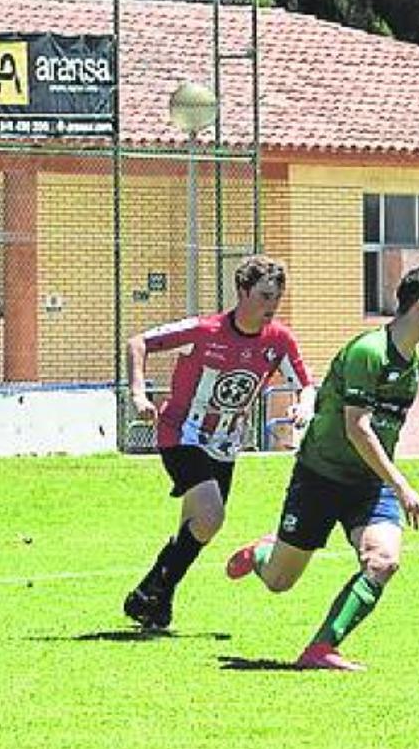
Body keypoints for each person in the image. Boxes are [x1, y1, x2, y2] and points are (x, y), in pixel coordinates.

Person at [224, 265, 419, 671]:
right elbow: (357, 427)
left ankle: (322, 648)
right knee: (279, 581)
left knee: (383, 561)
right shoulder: (369, 352)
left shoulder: (413, 367)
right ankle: (263, 552)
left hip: (369, 483)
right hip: (320, 477)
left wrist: (388, 483)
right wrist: (402, 485)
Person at [122, 254, 314, 630]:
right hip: (181, 434)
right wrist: (139, 394)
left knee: (198, 526)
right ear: (241, 291)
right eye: (263, 296)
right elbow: (138, 343)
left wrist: (303, 407)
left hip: (226, 444)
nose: (270, 307)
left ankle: (156, 599)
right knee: (211, 517)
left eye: (276, 298)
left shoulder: (279, 340)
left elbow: (305, 384)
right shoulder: (204, 330)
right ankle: (151, 590)